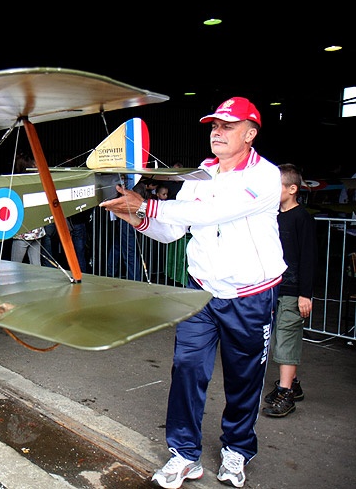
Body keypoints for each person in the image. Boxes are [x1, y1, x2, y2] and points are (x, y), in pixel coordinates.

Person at [101, 97, 285, 488]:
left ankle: (237, 449)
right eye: (214, 126)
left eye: (228, 126)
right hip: (200, 290)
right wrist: (135, 217)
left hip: (250, 295)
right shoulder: (200, 174)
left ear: (250, 134)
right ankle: (184, 454)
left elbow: (212, 212)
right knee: (186, 369)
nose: (217, 132)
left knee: (244, 378)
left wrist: (148, 206)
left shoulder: (266, 176)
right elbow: (172, 231)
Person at [262, 164, 317, 417]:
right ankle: (291, 383)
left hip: (294, 290)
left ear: (292, 189)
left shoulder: (302, 218)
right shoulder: (273, 215)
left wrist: (305, 294)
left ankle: (286, 393)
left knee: (286, 338)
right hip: (276, 286)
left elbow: (309, 258)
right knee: (278, 337)